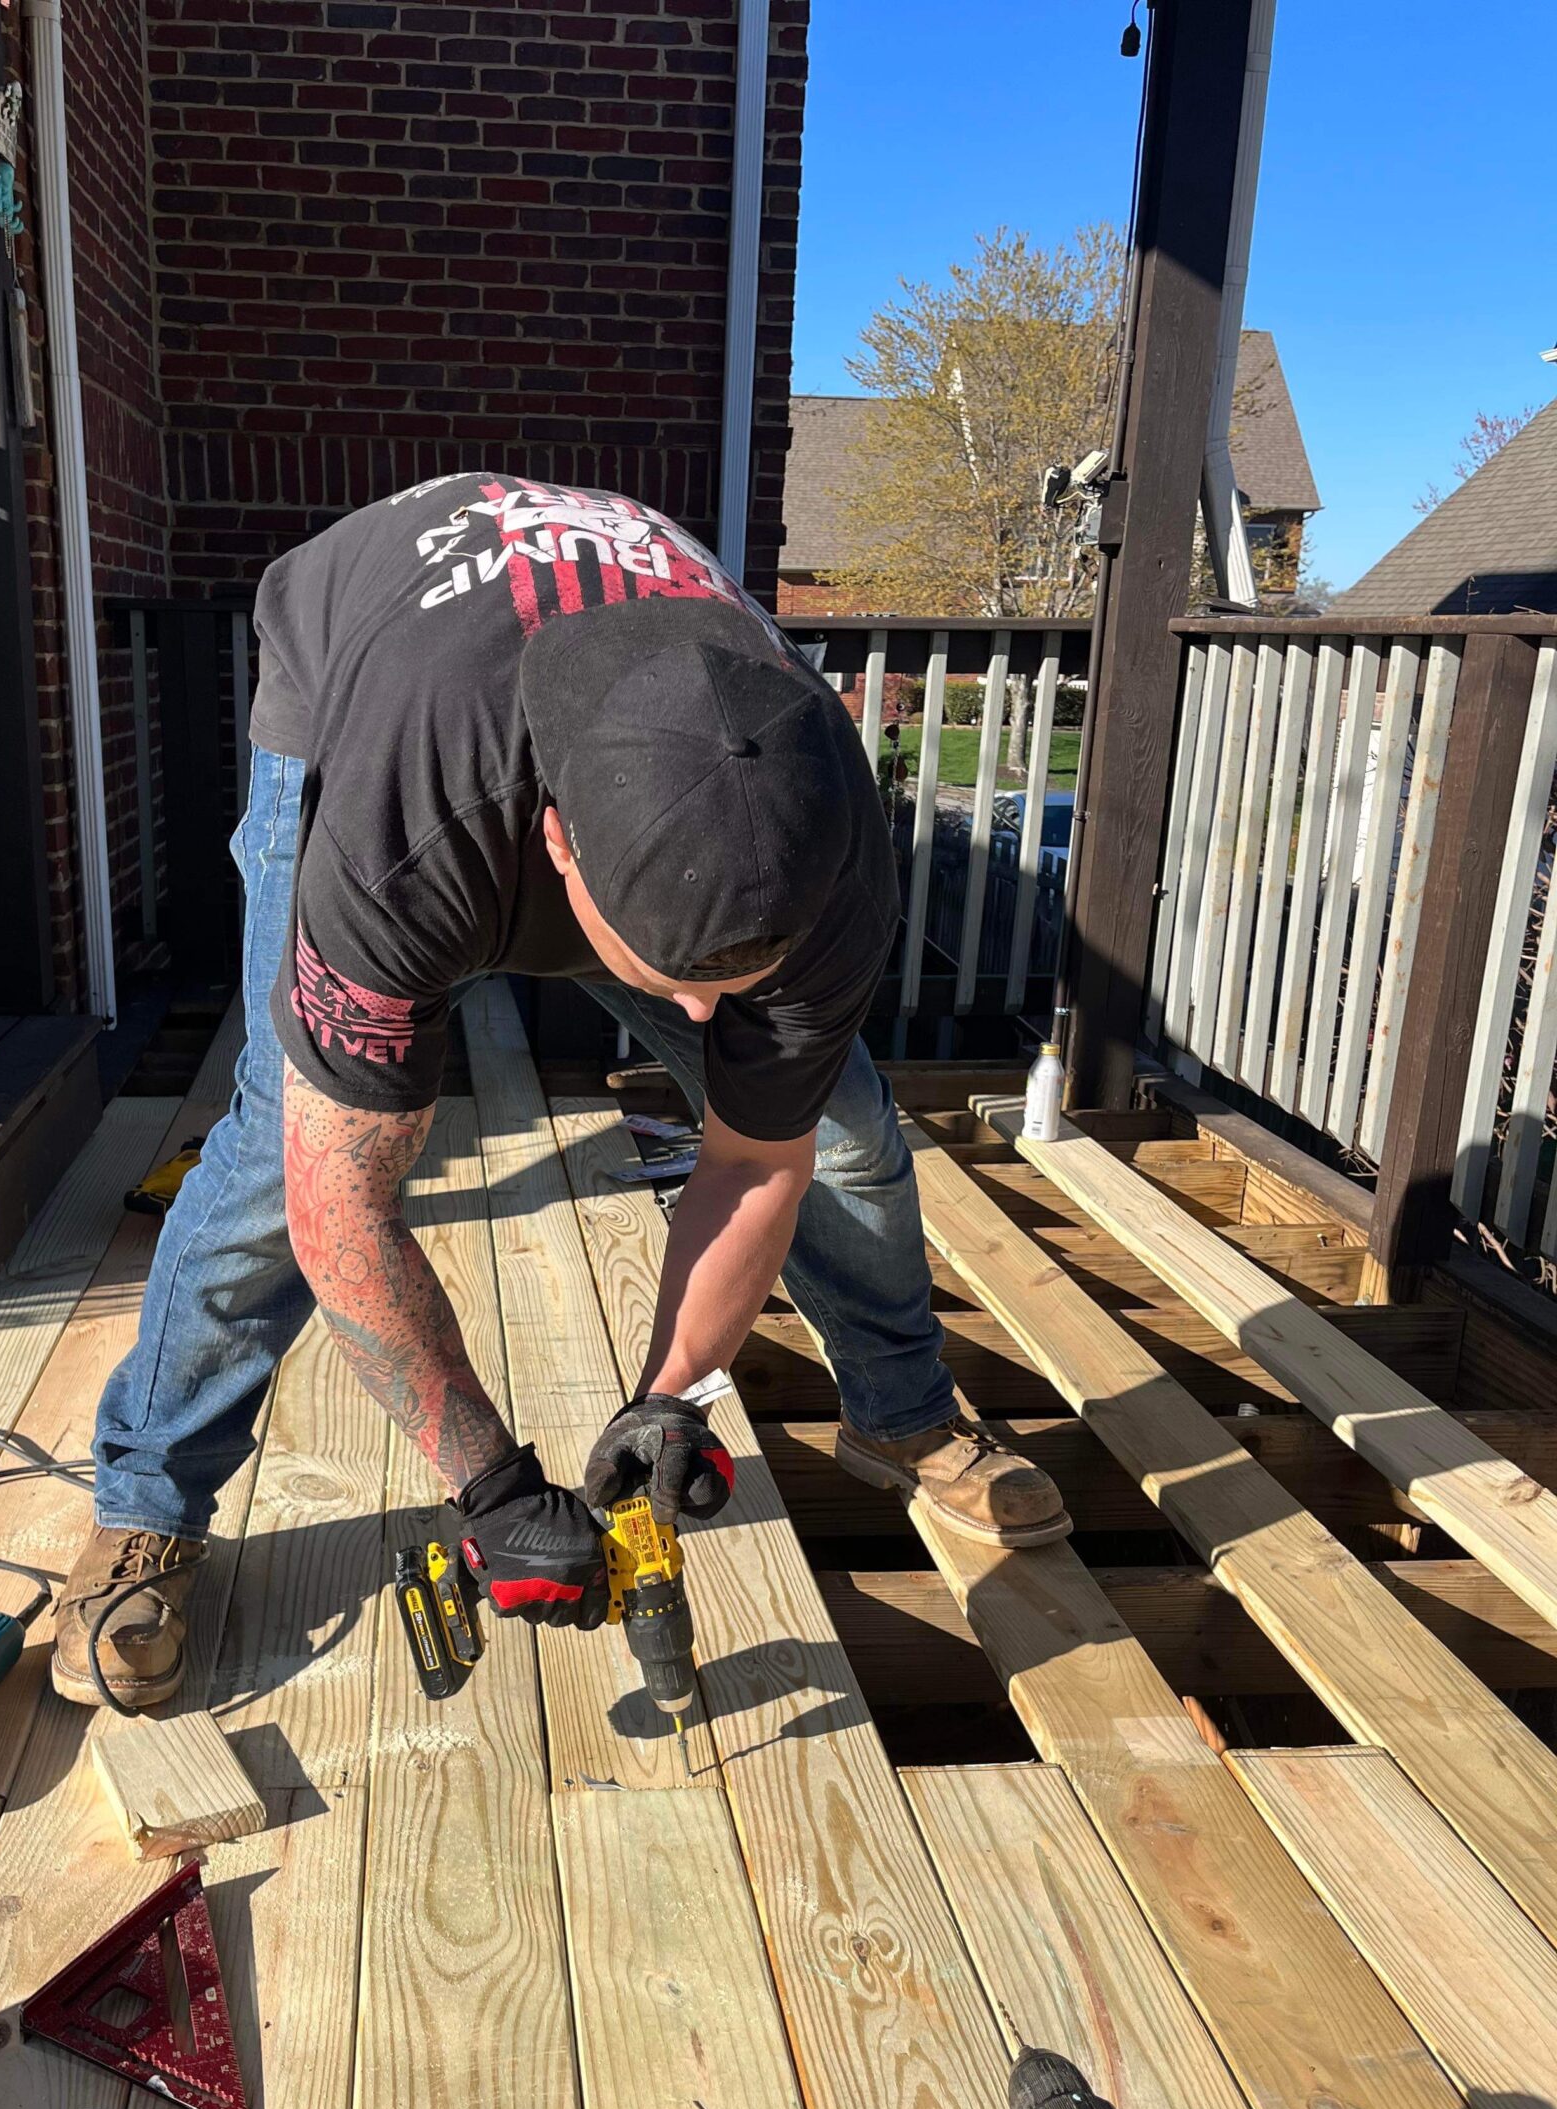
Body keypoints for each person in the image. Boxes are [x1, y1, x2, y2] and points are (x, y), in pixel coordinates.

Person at [52, 476, 1067, 1708]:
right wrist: (486, 1478)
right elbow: (342, 1208)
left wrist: (674, 1397)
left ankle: (899, 1413)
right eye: (673, 982)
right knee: (284, 1150)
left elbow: (757, 1160)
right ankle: (148, 1497)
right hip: (354, 680)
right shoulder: (404, 832)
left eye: (736, 983)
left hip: (618, 753)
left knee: (841, 1127)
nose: (701, 1021)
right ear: (559, 852)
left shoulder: (830, 834)